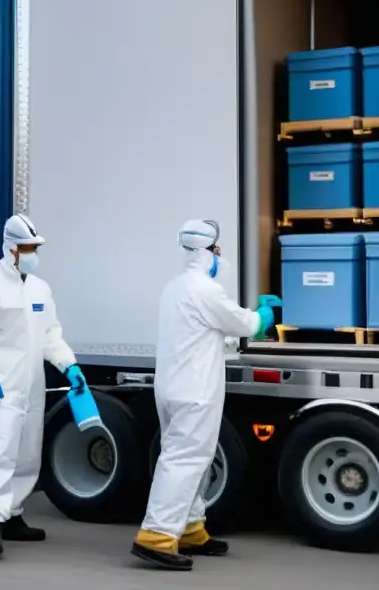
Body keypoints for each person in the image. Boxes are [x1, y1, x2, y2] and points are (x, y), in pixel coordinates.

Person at [131, 219, 277, 571]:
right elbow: (244, 324)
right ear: (205, 253)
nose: (220, 257)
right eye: (218, 250)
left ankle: (192, 528)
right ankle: (157, 535)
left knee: (192, 458)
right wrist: (264, 314)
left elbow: (201, 333)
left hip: (171, 387)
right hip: (194, 391)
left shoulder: (175, 288)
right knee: (184, 460)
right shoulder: (205, 290)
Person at [0, 214, 87, 559]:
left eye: (36, 247)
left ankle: (13, 514)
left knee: (27, 453)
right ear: (11, 249)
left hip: (31, 387)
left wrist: (69, 364)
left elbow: (51, 335)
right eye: (28, 248)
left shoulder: (39, 289)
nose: (33, 253)